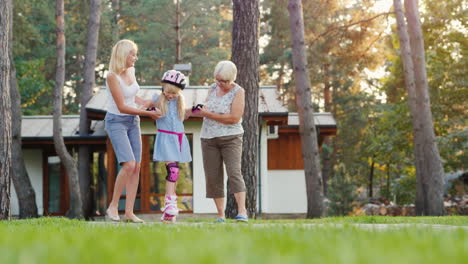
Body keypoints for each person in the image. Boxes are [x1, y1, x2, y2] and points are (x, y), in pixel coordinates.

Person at [104, 39, 161, 223]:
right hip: (116, 121)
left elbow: (130, 96)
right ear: (124, 55)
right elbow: (121, 106)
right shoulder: (112, 76)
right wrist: (146, 113)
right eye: (133, 54)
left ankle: (129, 212)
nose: (136, 58)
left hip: (133, 121)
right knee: (128, 164)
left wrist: (145, 102)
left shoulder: (131, 71)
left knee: (136, 167)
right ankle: (113, 206)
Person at [194, 60, 248, 222]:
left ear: (231, 78)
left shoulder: (238, 91)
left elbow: (234, 118)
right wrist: (189, 111)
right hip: (209, 138)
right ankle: (220, 214)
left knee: (234, 172)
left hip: (231, 138)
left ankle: (242, 212)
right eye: (218, 80)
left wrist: (208, 114)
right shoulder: (212, 88)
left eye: (224, 81)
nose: (220, 83)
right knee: (213, 176)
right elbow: (205, 107)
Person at [149, 70, 192, 223]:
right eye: (168, 92)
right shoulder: (157, 98)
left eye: (174, 93)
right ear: (163, 87)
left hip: (179, 138)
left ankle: (169, 210)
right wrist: (150, 110)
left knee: (175, 173)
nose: (171, 96)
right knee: (172, 170)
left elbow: (184, 116)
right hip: (166, 137)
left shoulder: (180, 101)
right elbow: (143, 105)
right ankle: (169, 205)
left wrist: (195, 110)